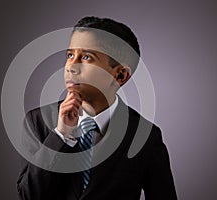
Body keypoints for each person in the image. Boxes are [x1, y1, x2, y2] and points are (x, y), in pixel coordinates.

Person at [17, 16, 177, 200]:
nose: (71, 66)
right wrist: (61, 134)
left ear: (120, 75)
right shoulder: (37, 121)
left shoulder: (145, 136)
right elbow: (28, 196)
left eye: (86, 57)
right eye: (70, 55)